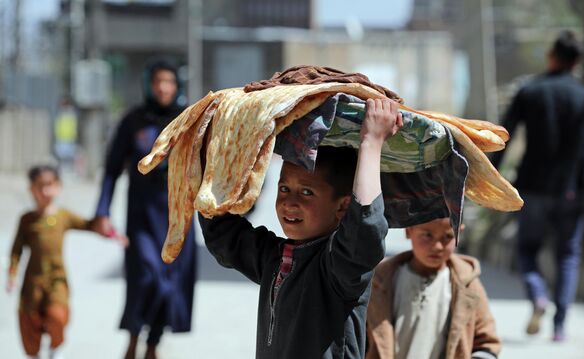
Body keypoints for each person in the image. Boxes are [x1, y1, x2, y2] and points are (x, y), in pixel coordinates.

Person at [200, 98, 403, 358]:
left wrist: (371, 143)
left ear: (342, 207)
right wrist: (218, 152)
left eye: (306, 192)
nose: (289, 202)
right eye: (284, 188)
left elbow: (364, 227)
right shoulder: (275, 258)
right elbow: (222, 234)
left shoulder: (339, 268)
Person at [491, 30, 584, 341]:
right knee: (567, 255)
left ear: (552, 56)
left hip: (533, 187)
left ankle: (538, 295)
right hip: (573, 189)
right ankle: (560, 326)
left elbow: (501, 136)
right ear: (577, 62)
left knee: (526, 249)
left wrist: (493, 178)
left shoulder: (530, 92)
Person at [93, 59, 196, 359]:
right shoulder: (133, 121)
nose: (163, 87)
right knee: (146, 277)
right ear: (149, 85)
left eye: (169, 82)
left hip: (179, 217)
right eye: (158, 81)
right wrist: (102, 212)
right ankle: (134, 336)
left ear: (177, 86)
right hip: (141, 217)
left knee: (170, 284)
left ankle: (153, 342)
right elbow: (112, 170)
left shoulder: (189, 119)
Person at [7, 165, 126, 359]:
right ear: (31, 189)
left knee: (57, 316)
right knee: (29, 322)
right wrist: (12, 274)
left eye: (50, 185)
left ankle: (56, 347)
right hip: (32, 284)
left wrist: (110, 233)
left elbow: (88, 225)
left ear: (58, 187)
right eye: (40, 186)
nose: (45, 191)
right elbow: (16, 250)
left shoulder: (63, 216)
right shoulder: (26, 220)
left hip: (57, 281)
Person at [366, 218, 501, 359]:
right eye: (427, 235)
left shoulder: (467, 285)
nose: (437, 246)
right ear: (408, 231)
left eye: (448, 236)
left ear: (458, 234)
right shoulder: (381, 281)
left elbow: (487, 342)